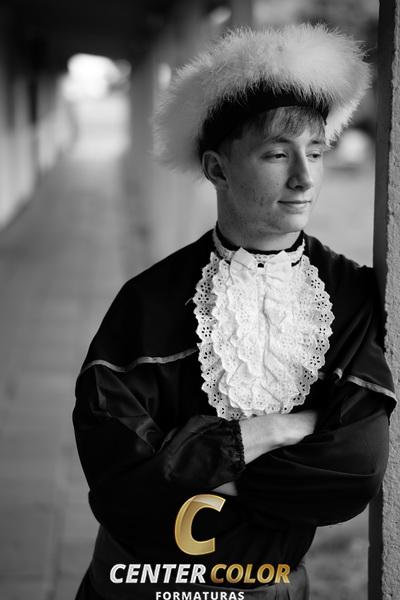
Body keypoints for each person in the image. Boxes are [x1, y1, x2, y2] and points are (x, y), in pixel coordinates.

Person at [73, 24, 396, 600]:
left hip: (271, 588)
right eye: (277, 153)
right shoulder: (147, 301)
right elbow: (122, 485)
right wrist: (272, 431)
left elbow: (355, 470)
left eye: (315, 151)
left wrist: (198, 467)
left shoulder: (350, 295)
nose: (304, 177)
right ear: (217, 168)